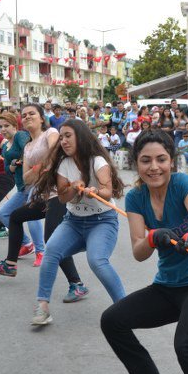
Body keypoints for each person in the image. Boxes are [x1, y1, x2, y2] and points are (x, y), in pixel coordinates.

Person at [101, 129, 188, 374]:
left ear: (171, 160)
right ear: (136, 162)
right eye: (146, 160)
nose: (154, 167)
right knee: (112, 320)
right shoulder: (136, 198)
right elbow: (139, 250)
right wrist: (153, 236)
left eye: (161, 159)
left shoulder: (182, 184)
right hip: (167, 288)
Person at [30, 119, 126, 325]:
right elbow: (63, 198)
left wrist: (95, 191)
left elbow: (108, 193)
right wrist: (75, 187)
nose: (63, 141)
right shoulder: (64, 164)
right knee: (51, 251)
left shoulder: (97, 161)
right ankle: (43, 307)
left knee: (97, 260)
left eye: (68, 136)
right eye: (61, 137)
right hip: (73, 221)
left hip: (102, 221)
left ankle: (124, 307)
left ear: (80, 137)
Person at [0, 105, 88, 302]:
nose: (27, 117)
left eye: (31, 114)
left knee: (52, 240)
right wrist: (39, 168)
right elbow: (26, 178)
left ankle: (77, 284)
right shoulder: (27, 146)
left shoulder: (50, 133)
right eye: (24, 115)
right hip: (43, 196)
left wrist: (37, 169)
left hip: (58, 195)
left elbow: (55, 156)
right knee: (15, 217)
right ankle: (10, 264)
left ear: (42, 118)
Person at [0, 112, 45, 263]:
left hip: (34, 182)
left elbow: (30, 151)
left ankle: (41, 251)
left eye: (6, 126)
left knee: (30, 216)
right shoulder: (5, 147)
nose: (3, 129)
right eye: (0, 126)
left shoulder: (20, 136)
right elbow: (7, 169)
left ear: (15, 126)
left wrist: (22, 160)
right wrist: (12, 165)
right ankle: (27, 243)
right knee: (4, 214)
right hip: (22, 188)